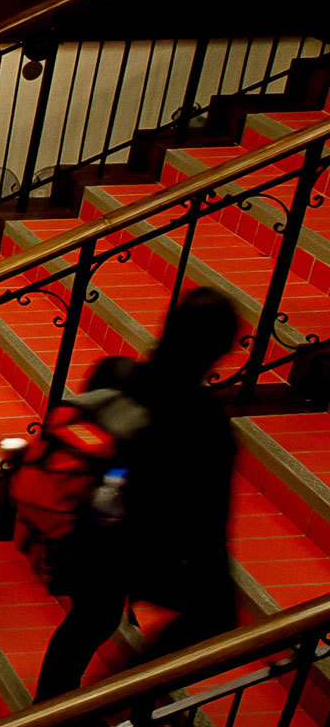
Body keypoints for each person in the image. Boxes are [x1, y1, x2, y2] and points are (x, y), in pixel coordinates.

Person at [33, 288, 241, 702]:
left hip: (90, 531)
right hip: (145, 546)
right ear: (220, 351)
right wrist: (216, 580)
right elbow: (210, 520)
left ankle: (49, 708)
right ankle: (131, 692)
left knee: (91, 618)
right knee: (214, 614)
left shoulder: (113, 372)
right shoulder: (205, 421)